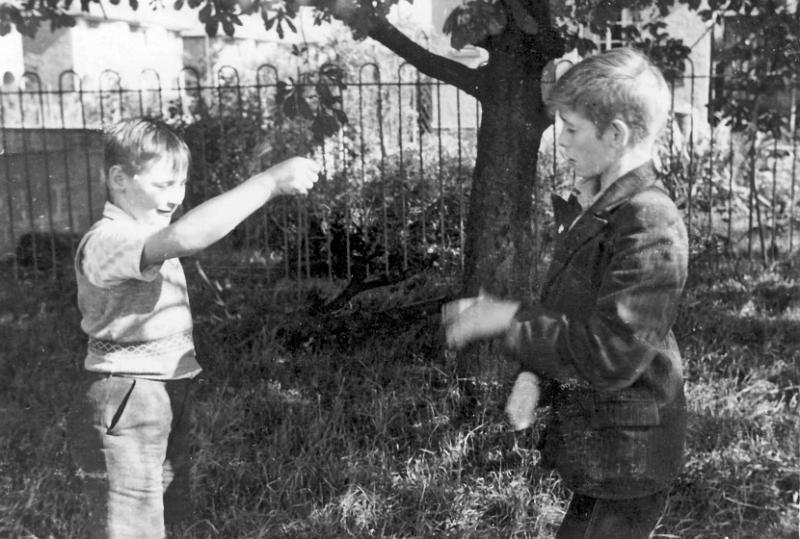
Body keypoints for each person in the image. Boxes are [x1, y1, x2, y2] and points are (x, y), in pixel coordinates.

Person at [443, 47, 689, 539]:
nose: (563, 140)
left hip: (628, 456)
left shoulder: (650, 221)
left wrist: (504, 319)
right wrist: (534, 375)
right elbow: (569, 308)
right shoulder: (604, 206)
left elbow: (611, 353)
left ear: (615, 135)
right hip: (607, 446)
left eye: (573, 129)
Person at [67, 117, 320, 538]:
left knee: (166, 510)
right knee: (129, 524)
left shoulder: (143, 230)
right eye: (163, 184)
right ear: (118, 178)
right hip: (125, 396)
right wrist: (269, 182)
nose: (175, 197)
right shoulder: (108, 240)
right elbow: (187, 237)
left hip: (165, 390)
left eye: (181, 184)